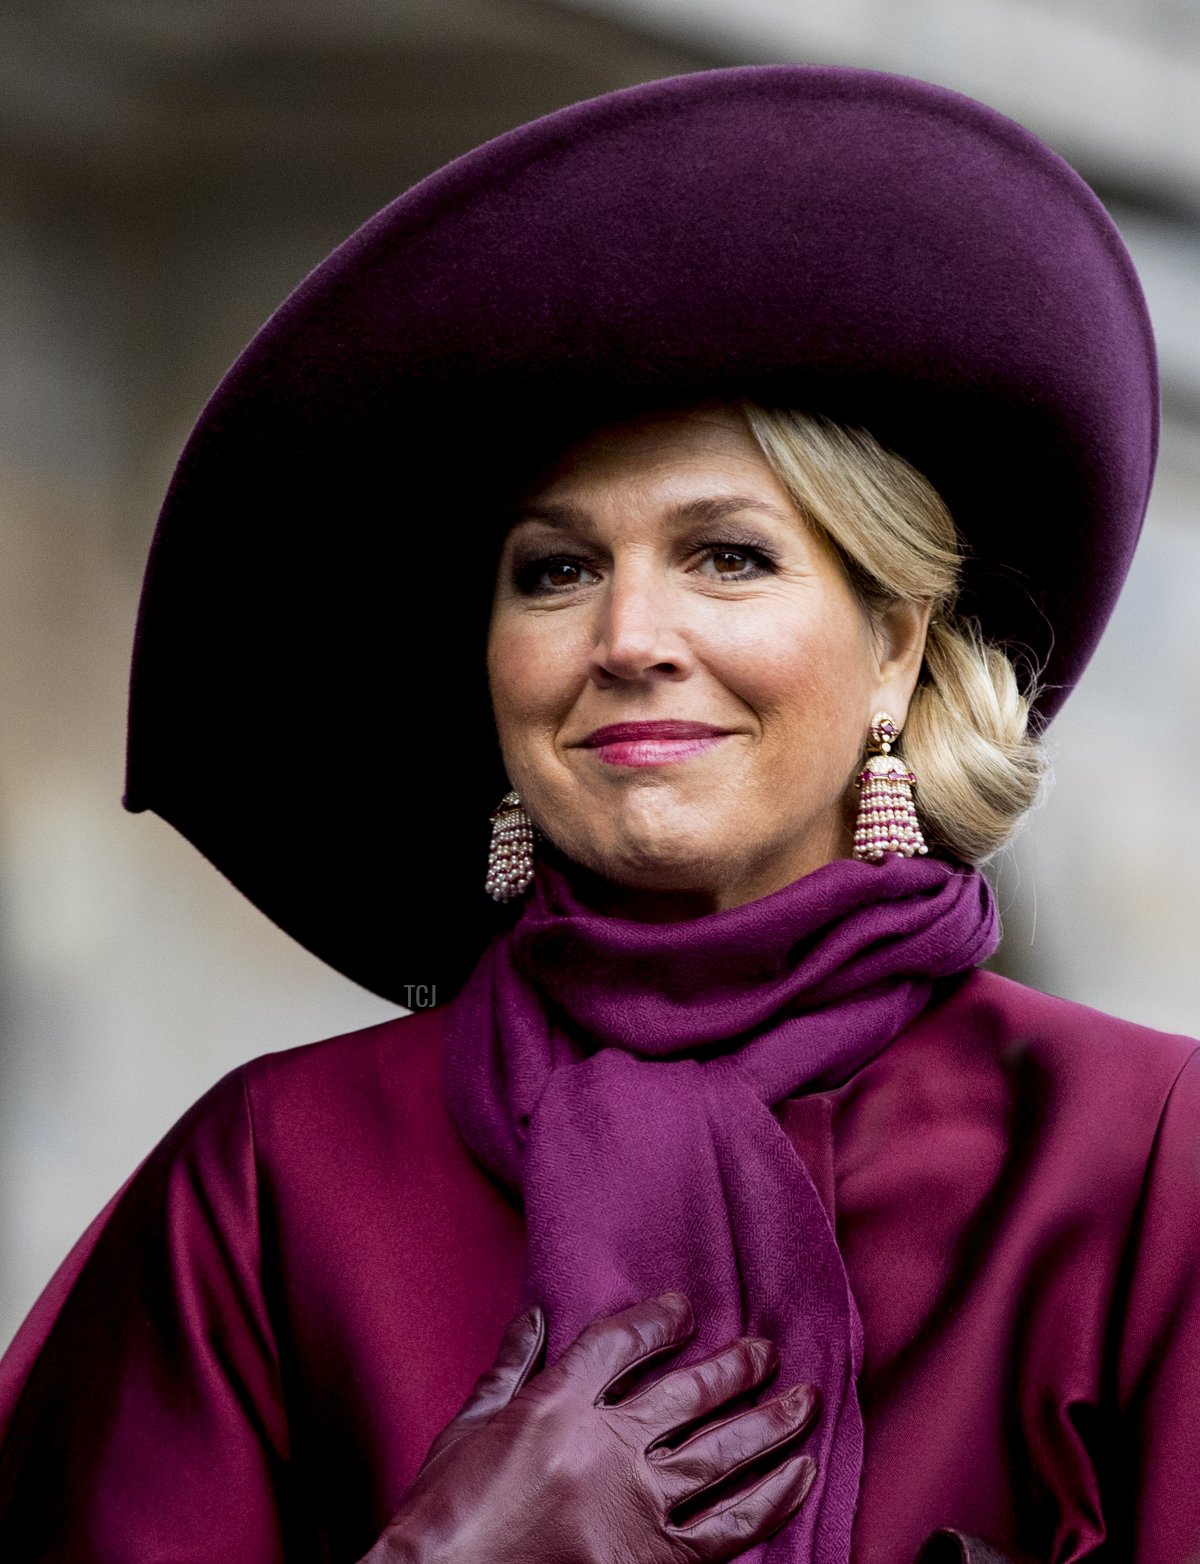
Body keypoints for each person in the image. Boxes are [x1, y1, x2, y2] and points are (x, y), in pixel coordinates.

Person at [0, 62, 1195, 1564]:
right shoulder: (273, 1180)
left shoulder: (1144, 1160)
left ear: (896, 645)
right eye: (555, 571)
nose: (627, 636)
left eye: (730, 558)